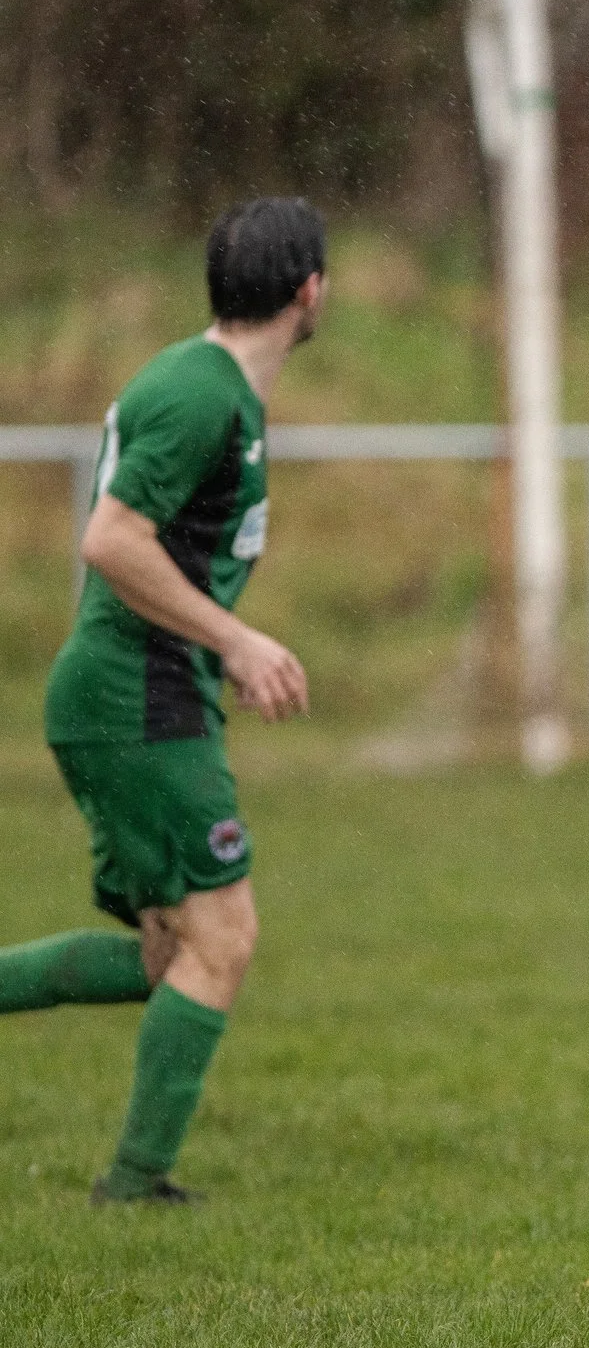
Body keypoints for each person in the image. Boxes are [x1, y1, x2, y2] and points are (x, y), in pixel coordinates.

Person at [0, 198, 322, 1204]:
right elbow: (112, 539)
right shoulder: (201, 396)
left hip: (143, 691)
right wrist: (233, 635)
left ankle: (137, 1182)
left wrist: (212, 644)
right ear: (309, 289)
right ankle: (135, 1187)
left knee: (168, 955)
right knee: (222, 942)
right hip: (136, 701)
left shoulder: (211, 383)